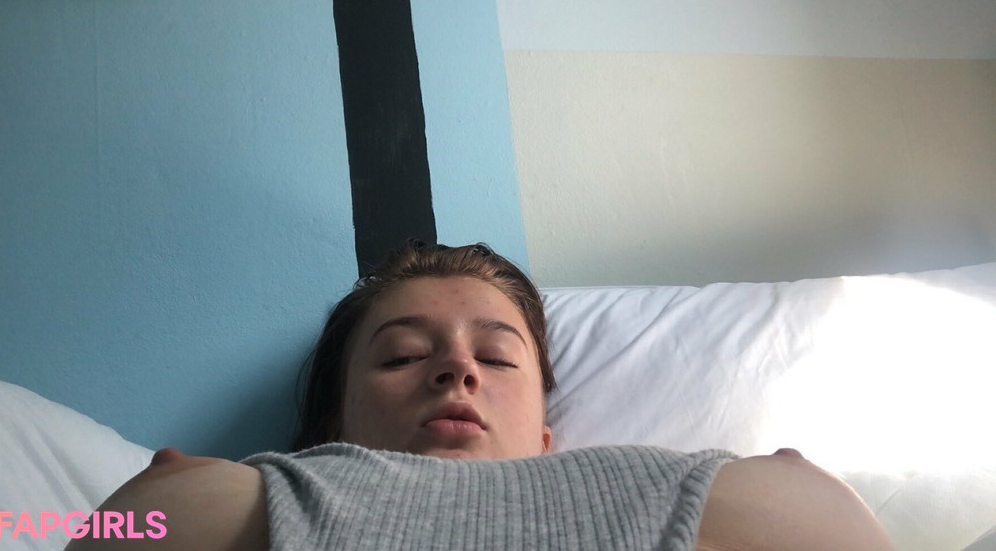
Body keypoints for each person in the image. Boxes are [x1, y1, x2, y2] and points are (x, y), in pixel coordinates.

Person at [66, 241, 894, 550]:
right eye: (401, 356)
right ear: (328, 424)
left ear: (545, 431)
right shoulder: (218, 501)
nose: (457, 370)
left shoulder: (743, 496)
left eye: (497, 357)